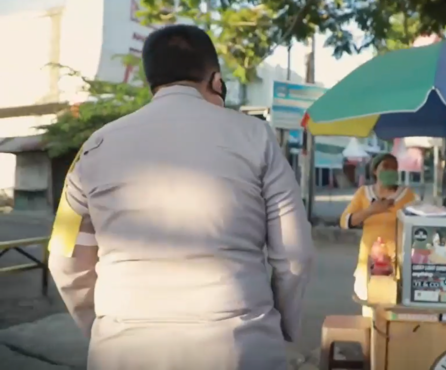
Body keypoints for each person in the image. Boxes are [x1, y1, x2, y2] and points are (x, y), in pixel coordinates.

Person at [48, 24, 315, 370]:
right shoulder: (257, 137)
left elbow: (62, 253)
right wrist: (281, 325)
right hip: (240, 349)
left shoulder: (92, 149)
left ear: (152, 81)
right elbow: (297, 254)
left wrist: (101, 327)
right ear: (217, 81)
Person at [339, 153, 418, 317]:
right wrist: (371, 210)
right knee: (370, 311)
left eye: (394, 168)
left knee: (394, 313)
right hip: (368, 263)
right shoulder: (363, 193)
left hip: (398, 264)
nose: (390, 171)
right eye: (385, 167)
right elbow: (345, 222)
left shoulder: (408, 195)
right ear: (375, 171)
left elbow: (419, 222)